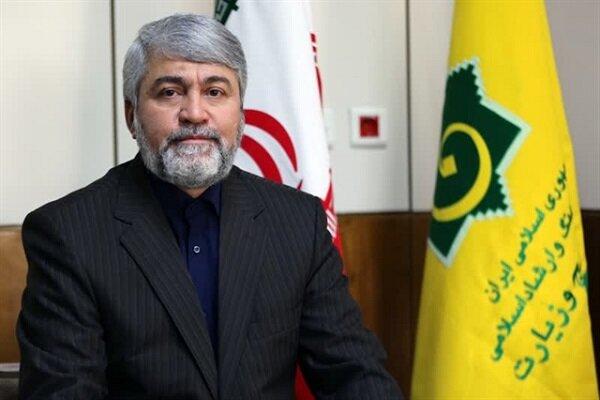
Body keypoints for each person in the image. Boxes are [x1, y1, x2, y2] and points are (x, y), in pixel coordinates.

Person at [17, 14, 402, 400]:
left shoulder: (299, 222)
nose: (195, 113)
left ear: (241, 115)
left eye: (215, 92)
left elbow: (354, 373)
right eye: (170, 92)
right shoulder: (68, 233)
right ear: (132, 116)